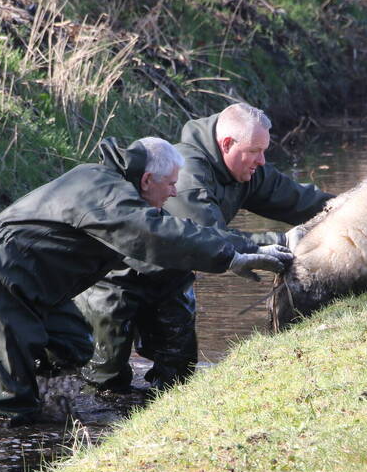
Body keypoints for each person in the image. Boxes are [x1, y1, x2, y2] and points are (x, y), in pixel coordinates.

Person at [0, 136, 292, 425]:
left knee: (73, 347)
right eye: (171, 183)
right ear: (147, 180)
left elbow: (180, 231)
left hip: (38, 287)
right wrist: (229, 257)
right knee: (10, 405)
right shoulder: (105, 194)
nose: (175, 192)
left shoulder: (119, 190)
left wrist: (248, 247)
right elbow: (156, 234)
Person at [75, 103, 333, 393]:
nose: (262, 161)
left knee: (178, 376)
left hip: (172, 278)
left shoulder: (246, 168)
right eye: (255, 152)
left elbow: (299, 200)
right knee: (102, 380)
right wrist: (280, 242)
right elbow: (208, 236)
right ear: (226, 144)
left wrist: (356, 206)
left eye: (264, 151)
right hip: (117, 278)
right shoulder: (187, 174)